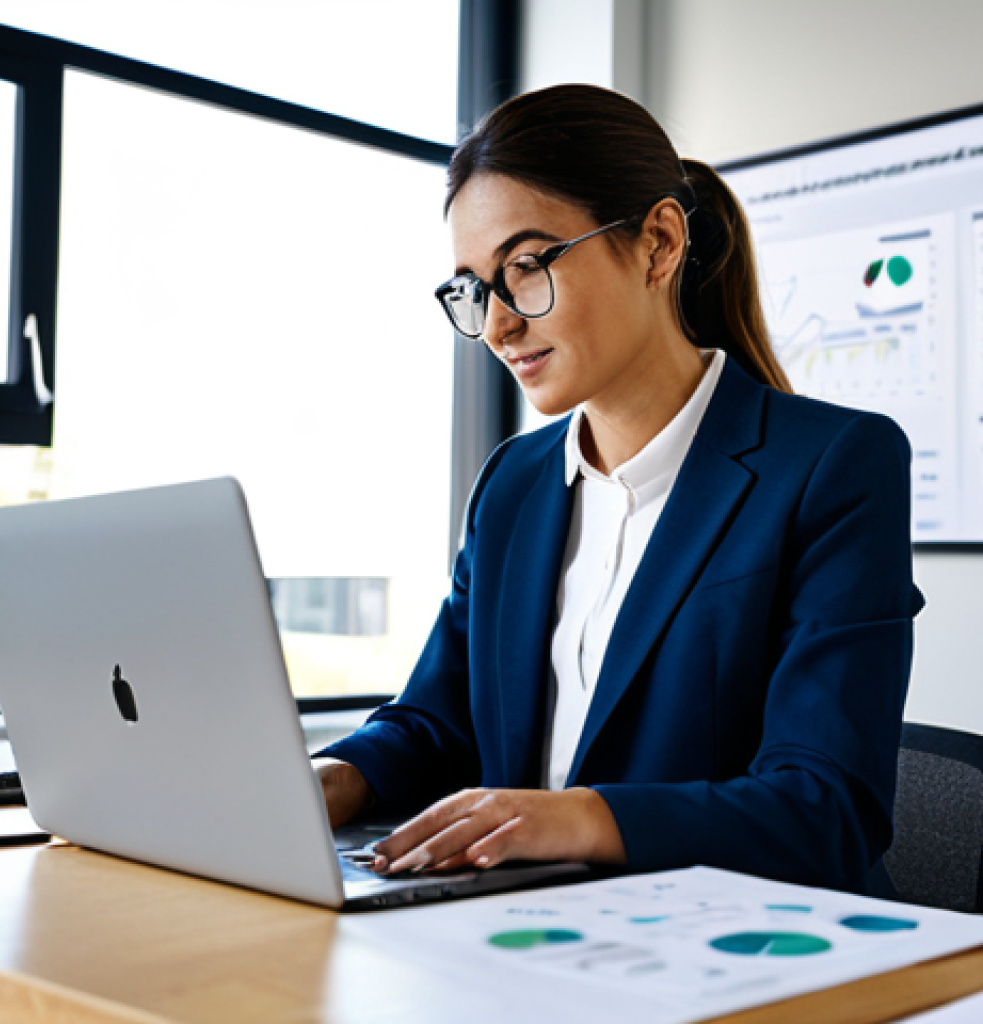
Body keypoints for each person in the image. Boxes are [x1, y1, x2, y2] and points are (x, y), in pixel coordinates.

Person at [313, 84, 923, 894]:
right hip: (527, 932)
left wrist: (572, 817)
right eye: (474, 288)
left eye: (526, 268)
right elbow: (437, 719)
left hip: (747, 953)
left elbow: (826, 807)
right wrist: (326, 779)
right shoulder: (513, 486)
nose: (498, 325)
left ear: (659, 244)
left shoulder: (835, 465)